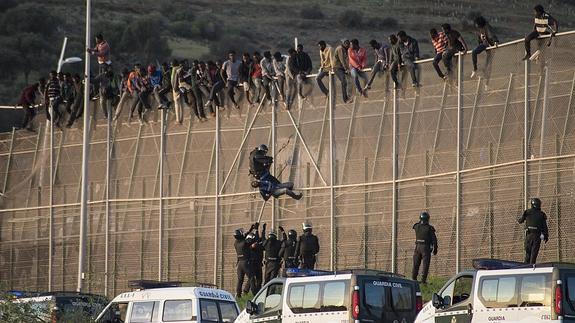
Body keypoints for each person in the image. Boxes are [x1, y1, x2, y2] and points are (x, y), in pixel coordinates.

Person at [518, 198, 549, 264]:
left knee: (528, 254)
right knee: (533, 254)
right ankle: (531, 267)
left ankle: (526, 267)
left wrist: (520, 219)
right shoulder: (541, 214)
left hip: (529, 235)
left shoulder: (527, 212)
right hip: (537, 236)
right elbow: (544, 227)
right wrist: (546, 236)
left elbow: (520, 221)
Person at [412, 211, 438, 284]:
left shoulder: (416, 226)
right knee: (425, 265)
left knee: (416, 264)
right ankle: (423, 281)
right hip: (425, 248)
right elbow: (434, 240)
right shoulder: (429, 228)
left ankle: (413, 279)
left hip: (417, 247)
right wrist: (435, 249)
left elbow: (417, 224)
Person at [234, 227, 253, 298]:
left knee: (240, 280)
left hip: (239, 263)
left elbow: (243, 237)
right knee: (251, 278)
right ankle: (251, 292)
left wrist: (250, 229)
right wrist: (255, 231)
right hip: (245, 262)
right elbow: (251, 240)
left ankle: (238, 295)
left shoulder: (236, 243)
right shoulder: (244, 243)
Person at [247, 224, 265, 295]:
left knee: (257, 279)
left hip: (258, 263)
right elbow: (256, 241)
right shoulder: (250, 245)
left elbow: (261, 240)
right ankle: (249, 291)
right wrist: (256, 230)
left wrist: (261, 230)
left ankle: (257, 291)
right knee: (252, 278)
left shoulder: (259, 245)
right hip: (253, 263)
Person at [333, 39, 350, 103]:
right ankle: (345, 99)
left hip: (342, 67)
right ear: (343, 43)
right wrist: (346, 69)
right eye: (347, 44)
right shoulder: (340, 48)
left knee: (350, 79)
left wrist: (349, 67)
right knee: (344, 81)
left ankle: (350, 95)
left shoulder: (346, 49)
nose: (348, 45)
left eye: (348, 44)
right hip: (337, 67)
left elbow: (347, 59)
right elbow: (342, 59)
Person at [170, 60, 185, 124]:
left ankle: (178, 119)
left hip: (176, 88)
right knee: (181, 104)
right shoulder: (179, 69)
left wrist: (175, 88)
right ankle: (180, 119)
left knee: (177, 104)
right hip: (179, 87)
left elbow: (175, 80)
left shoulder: (175, 70)